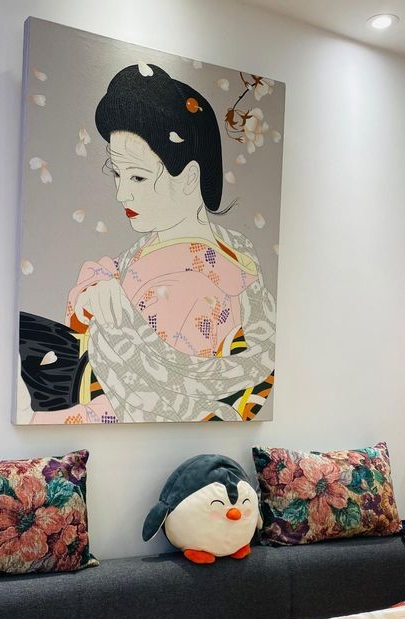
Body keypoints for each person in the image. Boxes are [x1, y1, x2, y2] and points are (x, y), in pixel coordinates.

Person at [19, 64, 275, 424]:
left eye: (138, 177)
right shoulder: (206, 251)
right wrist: (96, 293)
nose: (122, 192)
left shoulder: (201, 286)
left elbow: (153, 402)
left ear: (189, 178)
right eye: (117, 173)